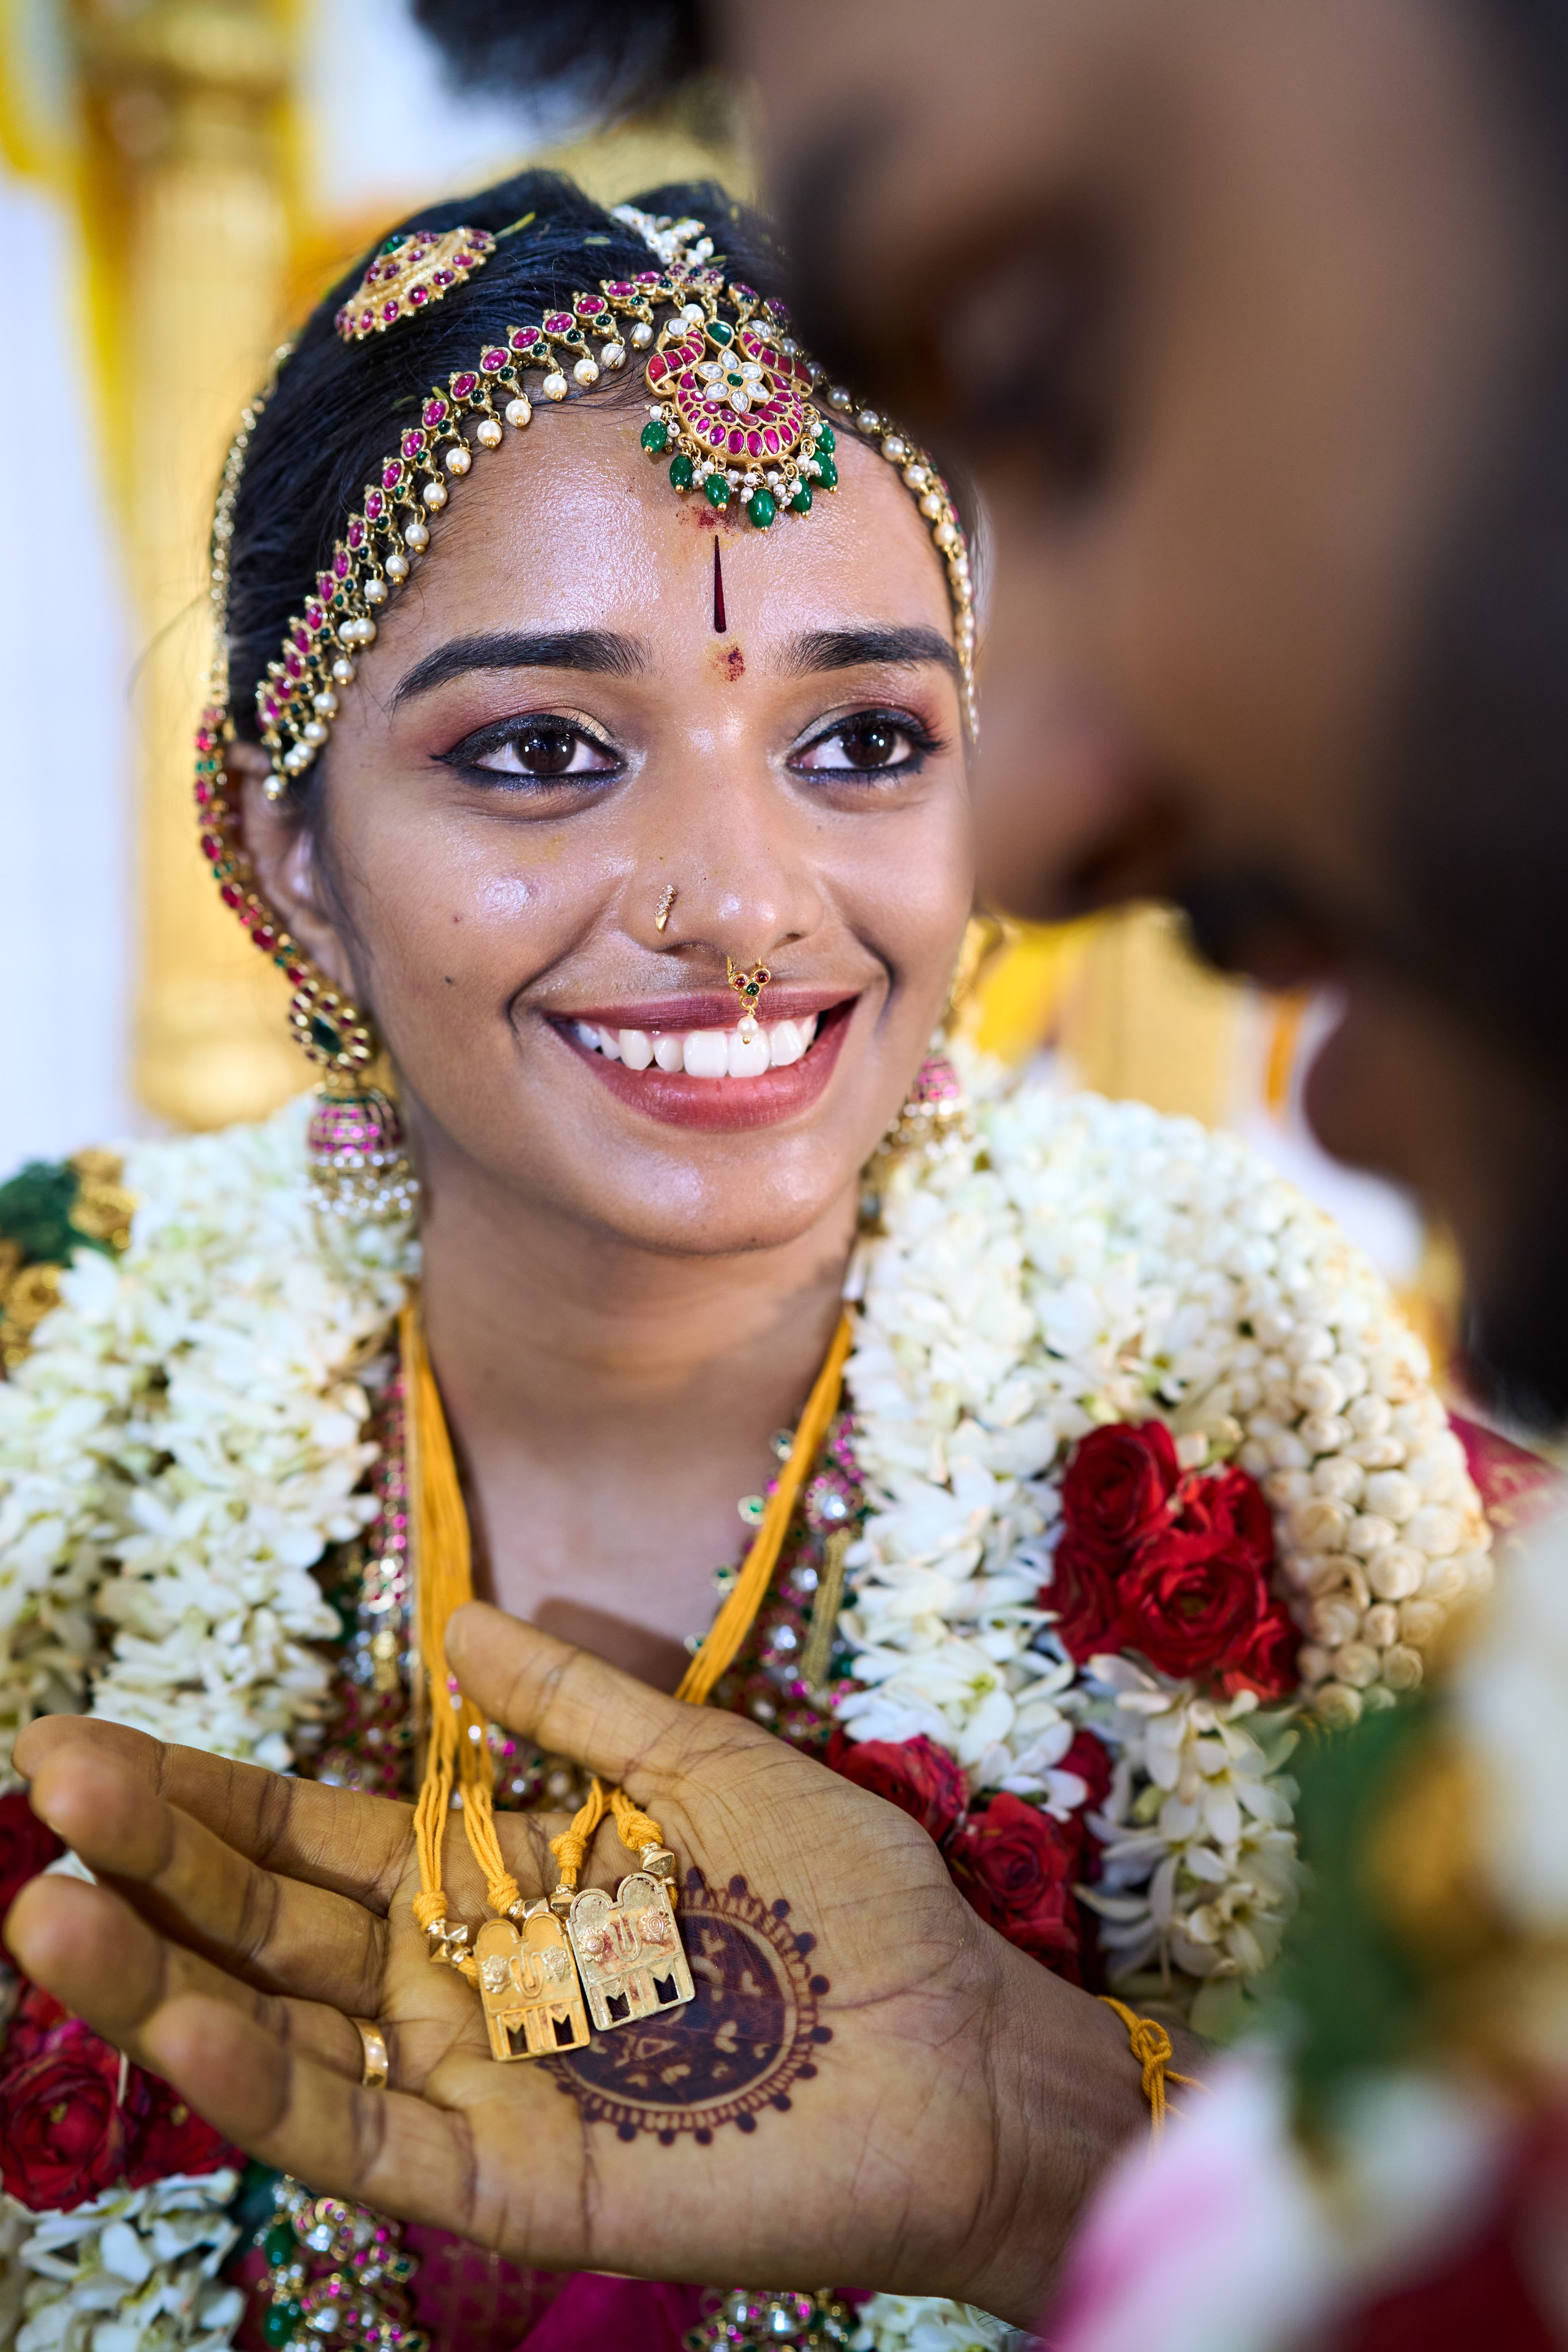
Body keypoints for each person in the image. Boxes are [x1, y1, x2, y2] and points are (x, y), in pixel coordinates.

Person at [0, 162, 1504, 2352]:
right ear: (277, 850)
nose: (742, 898)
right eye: (540, 752)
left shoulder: (1305, 1454)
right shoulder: (47, 1372)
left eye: (863, 742)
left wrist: (1044, 2159)